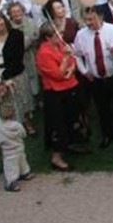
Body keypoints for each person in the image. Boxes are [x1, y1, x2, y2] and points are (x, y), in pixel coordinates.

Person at [71, 9, 113, 150]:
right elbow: (76, 54)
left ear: (101, 17)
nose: (89, 23)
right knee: (102, 109)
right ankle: (108, 136)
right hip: (96, 79)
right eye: (86, 20)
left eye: (92, 19)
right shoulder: (81, 35)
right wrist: (84, 71)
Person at [35, 23, 78, 173]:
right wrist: (66, 60)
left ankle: (68, 146)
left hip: (69, 87)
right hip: (55, 93)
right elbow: (57, 74)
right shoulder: (43, 53)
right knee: (58, 125)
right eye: (56, 35)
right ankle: (56, 157)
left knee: (69, 120)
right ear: (47, 37)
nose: (60, 37)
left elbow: (73, 61)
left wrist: (70, 69)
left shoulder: (60, 45)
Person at [0, 10, 33, 131]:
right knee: (3, 103)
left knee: (21, 101)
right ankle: (6, 126)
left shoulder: (17, 35)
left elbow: (17, 59)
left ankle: (27, 123)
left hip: (14, 72)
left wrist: (4, 76)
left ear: (4, 19)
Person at [0, 102, 33, 193]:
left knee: (11, 167)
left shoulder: (0, 130)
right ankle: (25, 173)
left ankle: (12, 183)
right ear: (13, 114)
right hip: (19, 149)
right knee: (22, 161)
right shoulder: (18, 125)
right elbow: (23, 134)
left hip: (9, 153)